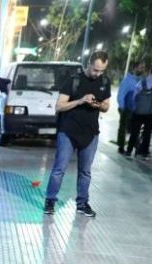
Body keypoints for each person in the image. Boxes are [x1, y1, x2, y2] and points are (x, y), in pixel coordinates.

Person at [43, 51, 111, 218]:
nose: (98, 74)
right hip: (68, 132)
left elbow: (106, 106)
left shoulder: (105, 81)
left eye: (102, 70)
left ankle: (82, 203)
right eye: (95, 69)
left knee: (85, 172)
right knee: (59, 169)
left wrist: (95, 103)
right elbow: (59, 106)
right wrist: (81, 100)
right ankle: (50, 200)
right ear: (88, 64)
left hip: (90, 133)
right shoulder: (73, 80)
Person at [126, 62, 152, 159]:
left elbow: (134, 97)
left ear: (150, 70)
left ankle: (129, 151)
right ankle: (144, 153)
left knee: (135, 132)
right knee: (147, 133)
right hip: (151, 112)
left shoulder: (142, 81)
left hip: (138, 111)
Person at [116, 61, 144, 153]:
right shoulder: (127, 80)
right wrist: (121, 107)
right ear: (135, 68)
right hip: (126, 108)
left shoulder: (141, 80)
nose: (142, 69)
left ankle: (137, 146)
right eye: (141, 67)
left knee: (134, 128)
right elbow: (121, 94)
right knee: (123, 128)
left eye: (143, 68)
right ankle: (121, 146)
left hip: (137, 109)